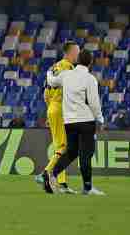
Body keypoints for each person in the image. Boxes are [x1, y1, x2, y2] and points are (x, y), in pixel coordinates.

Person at [42, 49, 105, 196]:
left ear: (77, 60)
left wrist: (49, 71)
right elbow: (94, 104)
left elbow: (51, 81)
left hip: (69, 121)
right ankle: (87, 188)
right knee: (86, 154)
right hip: (86, 121)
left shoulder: (66, 75)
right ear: (90, 62)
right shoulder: (90, 79)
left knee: (71, 152)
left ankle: (51, 174)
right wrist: (100, 119)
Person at [38, 42, 80, 192]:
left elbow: (45, 93)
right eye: (76, 52)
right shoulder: (68, 68)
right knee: (64, 147)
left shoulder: (54, 67)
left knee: (60, 146)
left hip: (53, 107)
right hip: (62, 109)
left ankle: (61, 183)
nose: (78, 55)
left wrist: (50, 109)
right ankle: (47, 172)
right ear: (70, 53)